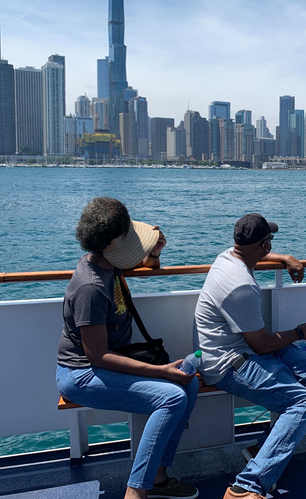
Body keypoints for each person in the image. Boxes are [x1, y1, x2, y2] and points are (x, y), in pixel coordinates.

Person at [56, 197, 199, 499]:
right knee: (172, 397)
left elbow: (146, 262)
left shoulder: (109, 263)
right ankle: (136, 492)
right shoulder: (91, 288)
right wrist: (161, 371)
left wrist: (155, 252)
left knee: (189, 384)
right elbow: (98, 356)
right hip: (81, 373)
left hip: (108, 362)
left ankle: (158, 477)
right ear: (112, 244)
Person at [193, 213, 306, 499]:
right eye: (270, 242)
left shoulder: (227, 257)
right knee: (304, 403)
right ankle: (246, 486)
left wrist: (286, 257)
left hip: (244, 346)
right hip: (229, 362)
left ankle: (264, 450)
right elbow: (263, 346)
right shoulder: (241, 286)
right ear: (264, 245)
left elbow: (255, 256)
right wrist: (299, 332)